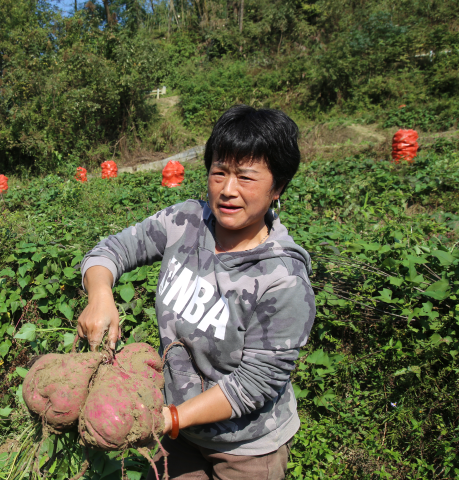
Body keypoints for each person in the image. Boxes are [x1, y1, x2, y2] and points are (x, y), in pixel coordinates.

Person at [77, 105, 316, 480]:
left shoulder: (282, 278)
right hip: (176, 430)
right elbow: (110, 251)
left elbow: (254, 384)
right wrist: (100, 294)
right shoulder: (185, 221)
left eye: (246, 177)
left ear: (278, 187)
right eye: (219, 173)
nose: (228, 190)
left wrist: (168, 419)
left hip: (246, 448)